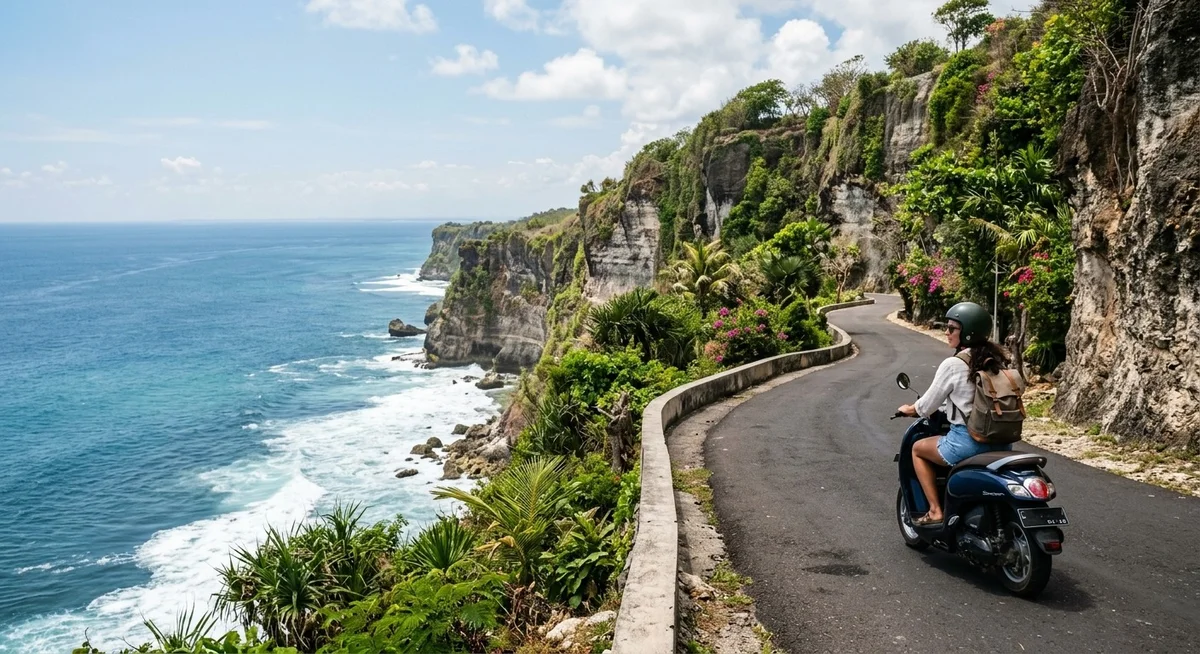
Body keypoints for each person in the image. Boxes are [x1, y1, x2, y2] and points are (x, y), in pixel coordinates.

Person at [897, 301, 1014, 526]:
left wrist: (909, 409)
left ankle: (935, 511)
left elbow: (926, 406)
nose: (947, 332)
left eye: (952, 328)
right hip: (1002, 442)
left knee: (917, 449)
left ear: (967, 333)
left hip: (968, 442)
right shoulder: (997, 361)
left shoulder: (954, 364)